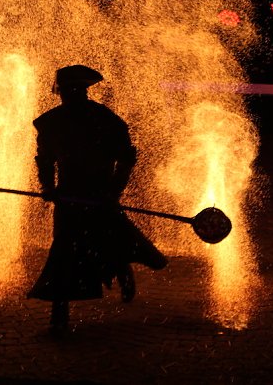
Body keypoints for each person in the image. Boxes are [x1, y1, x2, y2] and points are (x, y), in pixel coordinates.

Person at [27, 64, 168, 336]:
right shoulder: (51, 122)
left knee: (109, 239)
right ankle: (59, 315)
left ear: (83, 90)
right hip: (68, 196)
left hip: (100, 194)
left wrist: (113, 191)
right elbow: (44, 159)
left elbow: (126, 158)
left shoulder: (106, 120)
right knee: (64, 251)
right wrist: (48, 186)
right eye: (67, 90)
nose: (70, 94)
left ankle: (121, 269)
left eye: (75, 89)